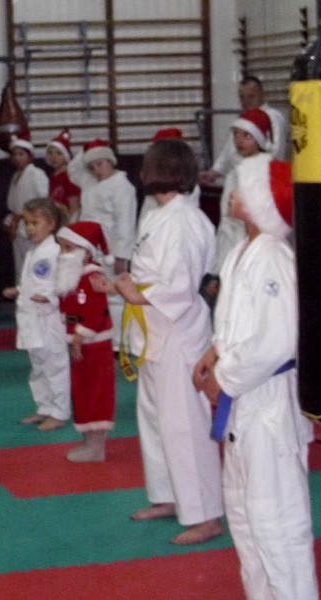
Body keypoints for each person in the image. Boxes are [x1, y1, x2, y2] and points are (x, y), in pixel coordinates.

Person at [193, 155, 319, 599]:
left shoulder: (274, 257)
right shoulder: (240, 254)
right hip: (243, 404)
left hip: (268, 403)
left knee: (277, 521)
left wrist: (224, 379)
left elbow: (276, 340)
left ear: (262, 203)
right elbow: (235, 324)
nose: (233, 194)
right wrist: (213, 351)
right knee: (245, 517)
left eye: (243, 189)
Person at [92, 139, 224, 545]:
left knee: (184, 425)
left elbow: (181, 284)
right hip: (152, 331)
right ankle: (168, 496)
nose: (143, 171)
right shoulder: (157, 215)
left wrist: (135, 294)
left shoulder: (184, 220)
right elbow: (148, 275)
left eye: (148, 165)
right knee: (154, 420)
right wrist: (119, 285)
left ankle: (205, 514)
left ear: (163, 171)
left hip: (178, 333)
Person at [2, 197, 70, 432]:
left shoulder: (54, 250)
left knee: (55, 366)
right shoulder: (35, 249)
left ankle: (60, 411)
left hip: (48, 318)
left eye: (35, 223)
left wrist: (48, 297)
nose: (30, 228)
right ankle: (44, 406)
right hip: (31, 316)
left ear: (51, 224)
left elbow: (61, 284)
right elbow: (33, 282)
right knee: (38, 366)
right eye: (27, 223)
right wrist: (19, 290)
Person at [55, 221, 115, 461]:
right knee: (82, 392)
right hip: (80, 342)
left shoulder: (93, 278)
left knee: (96, 392)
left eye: (68, 248)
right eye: (62, 247)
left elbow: (95, 311)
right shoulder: (74, 276)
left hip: (95, 344)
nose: (63, 254)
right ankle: (89, 442)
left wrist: (80, 335)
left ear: (86, 252)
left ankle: (97, 446)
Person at [77, 140, 137, 350]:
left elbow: (126, 222)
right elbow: (74, 171)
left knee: (116, 296)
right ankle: (103, 336)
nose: (97, 169)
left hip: (112, 250)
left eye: (100, 163)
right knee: (96, 294)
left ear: (111, 161)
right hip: (93, 250)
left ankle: (120, 342)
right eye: (92, 166)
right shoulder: (91, 186)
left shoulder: (123, 186)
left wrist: (122, 255)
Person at [209, 109, 273, 280]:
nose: (239, 141)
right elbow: (226, 220)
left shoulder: (268, 173)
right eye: (236, 134)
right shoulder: (234, 173)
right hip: (230, 245)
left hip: (255, 248)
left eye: (247, 136)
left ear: (260, 139)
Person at [199, 74, 287, 185]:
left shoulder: (273, 117)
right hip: (239, 179)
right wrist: (214, 172)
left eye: (251, 96)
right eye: (242, 97)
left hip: (261, 181)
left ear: (262, 94)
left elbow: (275, 152)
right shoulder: (243, 120)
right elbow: (229, 150)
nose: (246, 101)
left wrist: (250, 170)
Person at [4, 132, 49, 283]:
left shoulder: (36, 174)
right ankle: (21, 292)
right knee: (20, 265)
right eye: (15, 155)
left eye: (21, 154)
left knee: (34, 261)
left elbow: (44, 199)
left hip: (32, 223)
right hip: (18, 225)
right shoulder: (15, 175)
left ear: (30, 156)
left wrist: (38, 221)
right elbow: (12, 204)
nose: (17, 158)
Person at [46, 129, 81, 222]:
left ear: (66, 156)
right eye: (50, 153)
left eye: (59, 153)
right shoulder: (52, 176)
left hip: (67, 220)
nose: (54, 157)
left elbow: (74, 206)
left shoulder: (69, 176)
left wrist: (72, 225)